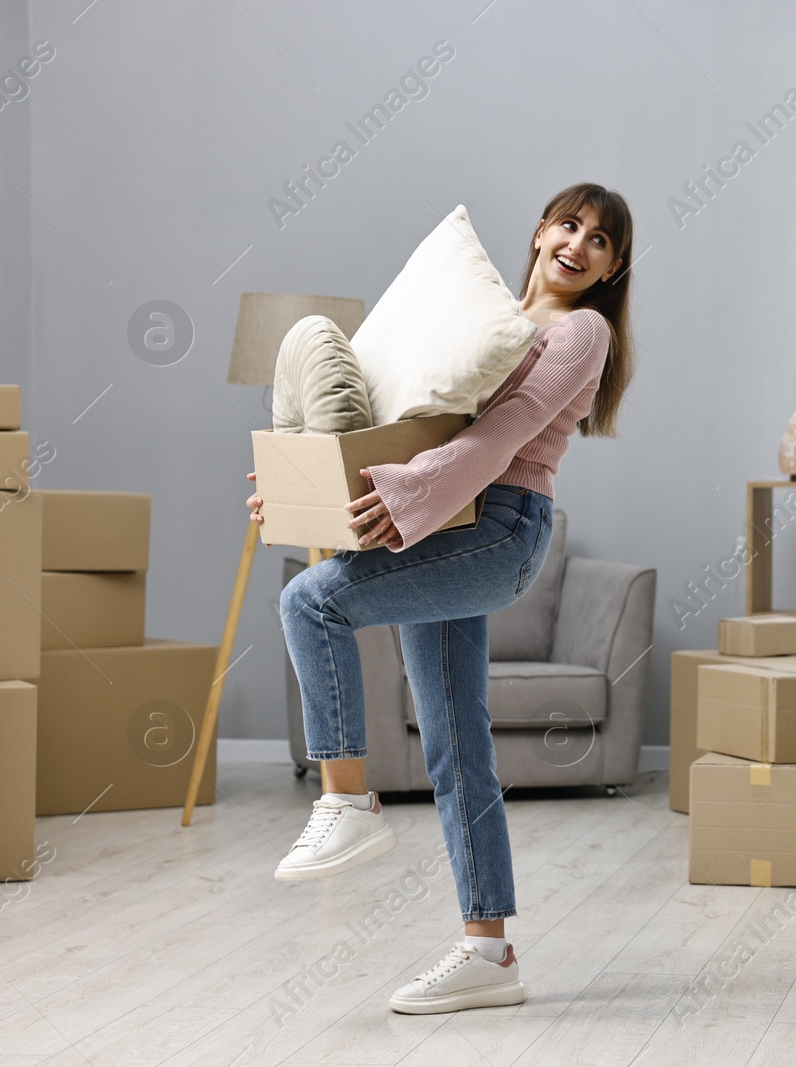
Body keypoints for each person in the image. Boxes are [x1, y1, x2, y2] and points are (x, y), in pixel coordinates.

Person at [246, 182, 635, 1014]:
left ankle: (347, 796)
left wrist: (404, 494)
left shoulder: (582, 331)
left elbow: (499, 436)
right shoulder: (484, 317)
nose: (578, 244)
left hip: (499, 528)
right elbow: (396, 414)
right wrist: (299, 489)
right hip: (438, 516)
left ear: (612, 268)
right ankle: (490, 951)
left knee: (313, 601)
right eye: (569, 224)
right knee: (460, 744)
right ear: (539, 231)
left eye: (599, 240)